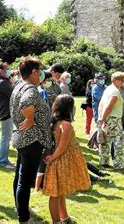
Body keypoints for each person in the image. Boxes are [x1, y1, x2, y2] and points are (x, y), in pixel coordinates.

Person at [10, 57, 53, 223]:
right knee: (25, 180)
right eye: (40, 71)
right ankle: (24, 218)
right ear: (34, 72)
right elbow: (25, 102)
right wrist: (30, 118)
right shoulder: (30, 89)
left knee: (19, 176)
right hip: (31, 140)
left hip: (22, 138)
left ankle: (20, 208)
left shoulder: (19, 85)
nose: (41, 74)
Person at [44, 94, 91, 223]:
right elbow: (62, 147)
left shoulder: (56, 122)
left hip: (60, 159)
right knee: (55, 193)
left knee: (61, 191)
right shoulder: (65, 125)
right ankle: (56, 221)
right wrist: (52, 157)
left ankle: (64, 216)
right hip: (61, 160)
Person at [97, 71, 124, 170]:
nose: (123, 82)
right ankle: (118, 165)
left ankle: (103, 162)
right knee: (119, 142)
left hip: (105, 117)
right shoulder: (115, 91)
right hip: (114, 119)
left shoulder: (107, 89)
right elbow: (109, 106)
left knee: (105, 141)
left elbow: (101, 104)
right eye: (121, 80)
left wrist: (101, 117)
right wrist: (103, 117)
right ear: (115, 80)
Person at [0, 62, 16, 169]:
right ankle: (2, 162)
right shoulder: (2, 82)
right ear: (0, 71)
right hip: (5, 113)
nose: (8, 71)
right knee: (5, 138)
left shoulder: (4, 81)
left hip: (7, 112)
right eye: (5, 69)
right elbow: (13, 93)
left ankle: (5, 160)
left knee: (7, 138)